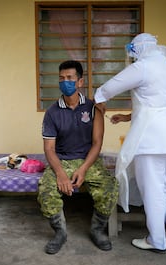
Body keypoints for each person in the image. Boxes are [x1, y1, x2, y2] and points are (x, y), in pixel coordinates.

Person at [94, 33, 166, 253]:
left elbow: (110, 87)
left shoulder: (144, 67)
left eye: (132, 51)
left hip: (153, 137)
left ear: (138, 49)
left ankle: (157, 240)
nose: (131, 56)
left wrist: (97, 97)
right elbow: (158, 102)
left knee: (153, 188)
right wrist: (127, 117)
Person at [38, 60, 119, 254]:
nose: (65, 82)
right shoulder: (52, 113)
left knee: (109, 188)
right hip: (62, 160)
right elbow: (49, 149)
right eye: (61, 78)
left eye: (69, 78)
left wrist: (83, 169)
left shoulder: (93, 108)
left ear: (80, 82)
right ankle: (59, 233)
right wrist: (60, 174)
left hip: (88, 160)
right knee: (46, 190)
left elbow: (97, 143)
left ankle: (97, 230)